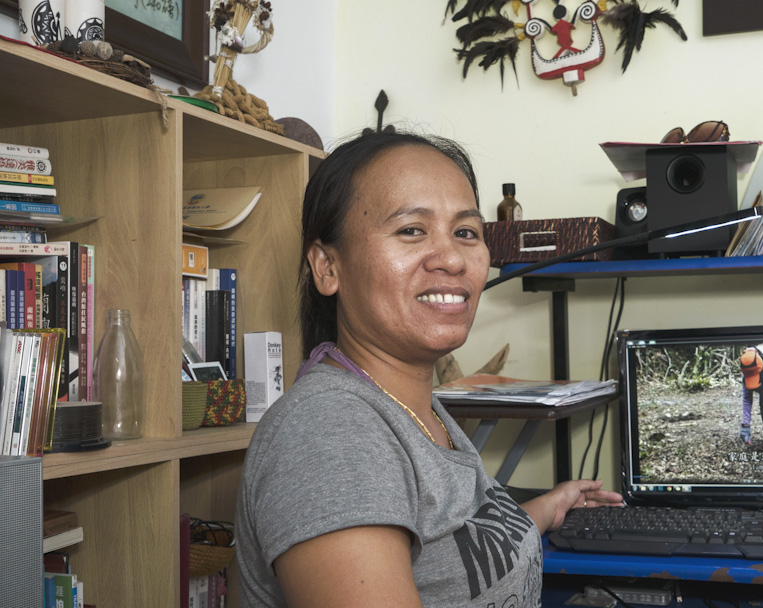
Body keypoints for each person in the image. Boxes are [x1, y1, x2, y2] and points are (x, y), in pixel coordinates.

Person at [234, 130, 623, 608]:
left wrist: (546, 509)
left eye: (466, 233)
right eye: (411, 230)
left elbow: (451, 548)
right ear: (327, 267)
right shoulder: (329, 434)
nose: (453, 259)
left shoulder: (417, 407)